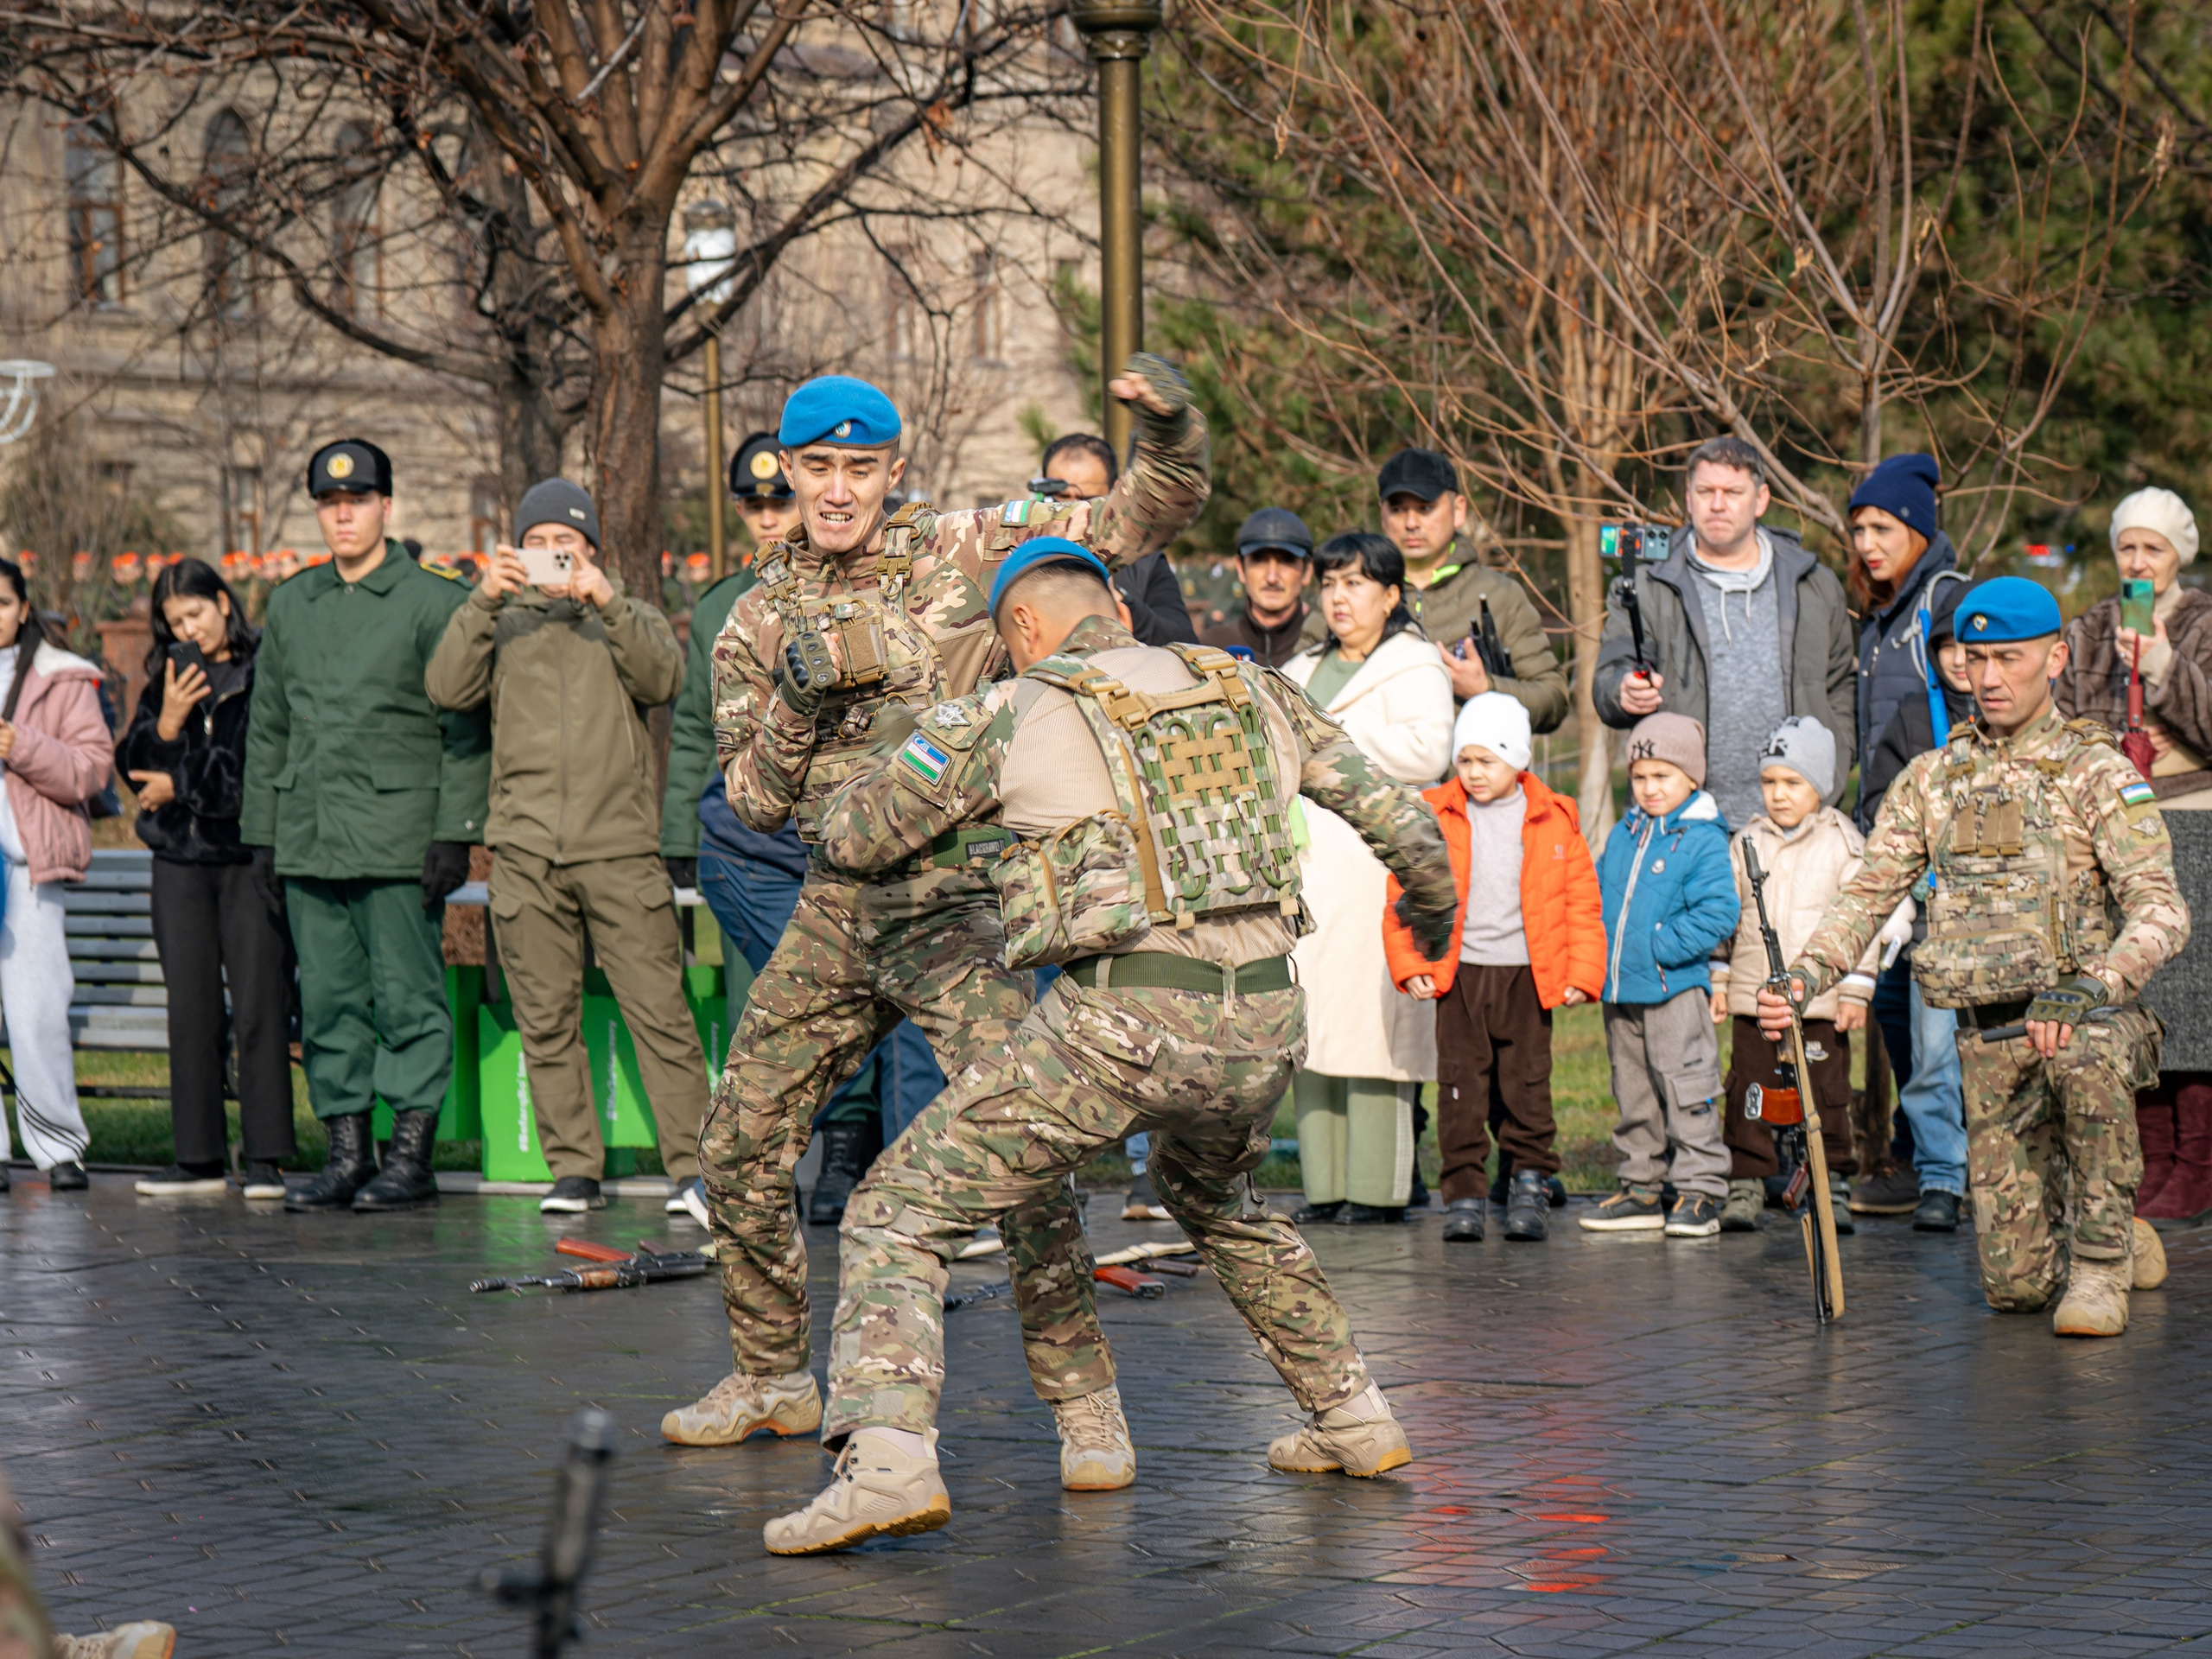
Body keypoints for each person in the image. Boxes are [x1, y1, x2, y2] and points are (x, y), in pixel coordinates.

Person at [758, 535, 1460, 1555]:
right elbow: (1402, 823)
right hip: (1265, 1017)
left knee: (897, 1210)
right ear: (1121, 615)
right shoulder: (1253, 685)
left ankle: (888, 1462)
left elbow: (853, 838)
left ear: (1022, 632)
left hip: (1118, 1021)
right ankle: (1352, 1414)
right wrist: (1433, 924)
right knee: (1217, 1199)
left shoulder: (1007, 709)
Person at [663, 358, 1210, 1453]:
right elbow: (753, 804)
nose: (834, 491)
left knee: (1020, 1158)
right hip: (835, 906)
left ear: (892, 471)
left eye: (858, 470)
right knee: (738, 1144)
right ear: (787, 467)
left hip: (961, 904)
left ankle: (1083, 1405)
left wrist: (1173, 428)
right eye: (815, 468)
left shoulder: (965, 548)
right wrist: (798, 705)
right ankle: (772, 1376)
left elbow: (1139, 515)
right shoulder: (751, 620)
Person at [1764, 577, 2187, 1336]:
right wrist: (1804, 977)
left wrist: (2096, 984)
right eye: (1974, 658)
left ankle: (2099, 1261)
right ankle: (2115, 1232)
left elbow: (2162, 910)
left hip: (2087, 1020)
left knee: (2086, 1058)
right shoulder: (1933, 780)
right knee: (2016, 1291)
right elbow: (1864, 898)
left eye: (2010, 659)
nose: (1988, 679)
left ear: (2056, 659)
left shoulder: (2096, 773)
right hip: (1989, 1041)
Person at [425, 479, 710, 1220]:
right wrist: (483, 598)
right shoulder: (499, 622)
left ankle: (693, 1170)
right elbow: (445, 687)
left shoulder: (625, 616)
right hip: (523, 851)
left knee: (660, 1014)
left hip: (617, 848)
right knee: (545, 1019)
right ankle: (573, 1171)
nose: (556, 555)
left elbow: (664, 677)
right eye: (541, 543)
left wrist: (607, 601)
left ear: (591, 550)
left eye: (569, 544)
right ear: (520, 550)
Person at [659, 431, 914, 1225]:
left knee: (857, 1000)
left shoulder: (886, 580)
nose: (771, 515)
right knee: (793, 1009)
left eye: (780, 498)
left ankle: (851, 1160)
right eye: (758, 502)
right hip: (761, 843)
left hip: (862, 836)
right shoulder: (726, 610)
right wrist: (677, 837)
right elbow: (702, 737)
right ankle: (789, 1165)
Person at [241, 439, 489, 1214]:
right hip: (312, 835)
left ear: (387, 504)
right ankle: (347, 1153)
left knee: (408, 1000)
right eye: (328, 501)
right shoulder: (292, 602)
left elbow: (466, 730)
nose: (342, 513)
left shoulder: (433, 601)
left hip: (397, 838)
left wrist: (455, 833)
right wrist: (264, 833)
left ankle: (409, 1156)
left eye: (358, 499)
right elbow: (270, 725)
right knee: (331, 1003)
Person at [1381, 692, 1602, 1243]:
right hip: (1462, 975)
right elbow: (1405, 897)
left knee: (1528, 1085)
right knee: (1460, 1087)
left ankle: (1529, 1180)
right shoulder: (1435, 815)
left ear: (1519, 760)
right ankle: (1464, 1193)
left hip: (1528, 974)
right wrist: (1411, 963)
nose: (1474, 773)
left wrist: (1582, 972)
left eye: (1488, 761)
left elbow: (1581, 901)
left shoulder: (1555, 818)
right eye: (1465, 761)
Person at [1281, 532, 1453, 1224]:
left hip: (1377, 866)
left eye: (1356, 584)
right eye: (1329, 584)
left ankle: (1378, 1190)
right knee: (1315, 1029)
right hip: (1309, 865)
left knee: (1376, 1032)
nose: (1340, 597)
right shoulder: (1299, 666)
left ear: (1390, 595)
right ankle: (1324, 1187)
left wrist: (1332, 735)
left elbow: (1428, 750)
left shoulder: (1416, 666)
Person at [120, 559, 293, 1201]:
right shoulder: (168, 679)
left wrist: (180, 784)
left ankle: (267, 1155)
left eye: (195, 613)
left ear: (224, 602)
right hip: (179, 865)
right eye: (173, 622)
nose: (187, 630)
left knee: (259, 1004)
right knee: (191, 1009)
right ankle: (196, 1157)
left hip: (246, 860)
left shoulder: (262, 670)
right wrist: (166, 722)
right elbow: (134, 770)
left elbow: (253, 774)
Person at [1594, 435, 1858, 832]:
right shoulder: (1646, 585)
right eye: (1706, 491)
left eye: (1733, 492)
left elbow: (1841, 686)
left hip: (1797, 825)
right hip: (1684, 825)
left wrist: (1833, 769)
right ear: (1689, 497)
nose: (1718, 504)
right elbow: (1609, 676)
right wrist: (1622, 691)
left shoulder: (1814, 585)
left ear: (1761, 499)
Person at [1709, 718, 1869, 1234]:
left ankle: (1831, 1181)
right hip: (1754, 998)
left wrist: (1856, 988)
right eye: (1769, 782)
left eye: (1792, 782)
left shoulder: (1843, 843)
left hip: (1820, 1002)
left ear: (1819, 785)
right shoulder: (1747, 842)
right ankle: (1748, 1180)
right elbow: (1726, 915)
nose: (1778, 795)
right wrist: (1719, 977)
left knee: (1825, 1092)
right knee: (1750, 1089)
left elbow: (1866, 917)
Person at [1582, 712, 1738, 1237]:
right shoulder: (1625, 834)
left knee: (1686, 1087)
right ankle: (1642, 1186)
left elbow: (1719, 913)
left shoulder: (1702, 839)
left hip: (1673, 989)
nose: (1649, 789)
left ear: (1692, 778)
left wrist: (1657, 947)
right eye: (1640, 776)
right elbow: (1599, 895)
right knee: (1633, 1089)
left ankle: (1700, 1189)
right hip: (1621, 990)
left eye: (1662, 777)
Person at [1853, 572, 1977, 1229]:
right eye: (1949, 647)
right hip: (1932, 920)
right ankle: (1940, 1177)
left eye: (1976, 649)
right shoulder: (1911, 720)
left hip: (2009, 928)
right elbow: (1877, 804)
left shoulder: (2014, 720)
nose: (1963, 661)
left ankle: (2005, 1175)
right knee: (1931, 1060)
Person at [0, 561, 113, 1197]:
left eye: (2, 601)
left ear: (23, 608)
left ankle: (57, 1148)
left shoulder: (61, 678)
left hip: (27, 872)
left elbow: (91, 771)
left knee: (37, 1012)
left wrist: (20, 746)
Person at [1371, 448, 1569, 728]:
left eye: (1425, 508)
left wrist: (1485, 688)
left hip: (1472, 772)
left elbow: (1553, 700)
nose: (1411, 523)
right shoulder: (1352, 592)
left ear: (1459, 510)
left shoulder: (1500, 595)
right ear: (1382, 514)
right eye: (1398, 509)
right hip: (1373, 772)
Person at [1037, 431, 1197, 645]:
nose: (1074, 513)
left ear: (1114, 495)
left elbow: (1184, 642)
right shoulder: (1016, 560)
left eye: (1089, 501)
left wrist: (1118, 600)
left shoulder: (1143, 564)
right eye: (1061, 500)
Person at [1201, 507, 1314, 666]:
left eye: (1286, 560)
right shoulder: (1208, 650)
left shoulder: (1325, 653)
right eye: (1259, 560)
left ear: (1307, 571)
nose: (1272, 577)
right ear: (1241, 569)